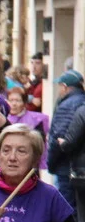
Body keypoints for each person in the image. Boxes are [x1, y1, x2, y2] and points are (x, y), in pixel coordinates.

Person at [45, 70, 85, 213]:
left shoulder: (67, 105)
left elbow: (58, 138)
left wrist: (51, 163)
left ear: (65, 86)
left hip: (66, 167)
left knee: (67, 209)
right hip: (78, 168)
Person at [6, 86, 49, 170]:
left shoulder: (36, 120)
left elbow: (40, 144)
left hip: (30, 164)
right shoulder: (2, 119)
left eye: (17, 100)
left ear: (24, 103)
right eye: (11, 100)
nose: (14, 104)